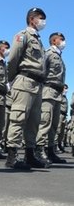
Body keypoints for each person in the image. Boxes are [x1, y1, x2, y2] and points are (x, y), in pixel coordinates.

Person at [5, 7, 47, 170]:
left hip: (37, 83)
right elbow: (13, 58)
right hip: (25, 80)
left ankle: (29, 155)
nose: (43, 21)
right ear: (31, 19)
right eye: (40, 18)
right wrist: (12, 79)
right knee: (18, 118)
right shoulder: (23, 35)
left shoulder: (38, 39)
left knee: (34, 121)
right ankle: (12, 156)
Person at [35, 33, 67, 164]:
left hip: (58, 94)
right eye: (62, 39)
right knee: (45, 122)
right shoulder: (48, 53)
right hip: (48, 90)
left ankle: (50, 151)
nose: (64, 42)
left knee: (54, 125)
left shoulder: (59, 57)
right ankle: (38, 150)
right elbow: (41, 70)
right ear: (54, 41)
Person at [56, 84, 69, 152]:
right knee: (58, 130)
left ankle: (59, 145)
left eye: (67, 88)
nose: (66, 90)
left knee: (62, 132)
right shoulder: (59, 96)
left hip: (64, 115)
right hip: (60, 114)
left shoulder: (65, 97)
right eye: (65, 88)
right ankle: (55, 146)